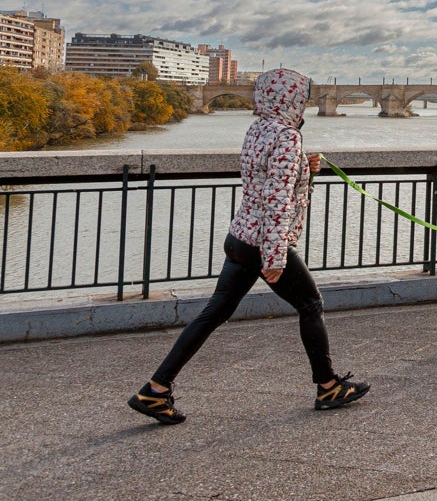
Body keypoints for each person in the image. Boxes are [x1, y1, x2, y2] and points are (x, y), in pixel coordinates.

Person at [129, 68, 369, 424]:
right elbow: (278, 199)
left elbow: (266, 175)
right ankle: (328, 385)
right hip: (264, 243)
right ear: (293, 100)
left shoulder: (257, 129)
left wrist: (305, 166)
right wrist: (274, 256)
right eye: (302, 99)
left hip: (239, 237)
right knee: (310, 304)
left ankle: (155, 390)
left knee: (213, 314)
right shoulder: (288, 137)